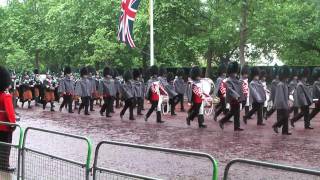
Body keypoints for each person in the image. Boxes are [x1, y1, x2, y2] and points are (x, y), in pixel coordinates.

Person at [219, 61, 244, 131]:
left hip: (237, 98)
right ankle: (222, 121)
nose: (235, 74)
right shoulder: (228, 80)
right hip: (233, 98)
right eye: (234, 73)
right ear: (231, 73)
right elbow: (230, 89)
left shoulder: (236, 79)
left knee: (236, 112)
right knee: (233, 111)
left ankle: (236, 126)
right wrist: (236, 96)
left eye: (235, 73)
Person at [0, 66, 17, 172]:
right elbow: (10, 113)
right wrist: (13, 124)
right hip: (5, 127)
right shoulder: (6, 95)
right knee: (6, 148)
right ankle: (5, 166)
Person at [272, 66, 291, 135]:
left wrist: (287, 101)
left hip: (285, 103)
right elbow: (280, 96)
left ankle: (285, 131)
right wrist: (284, 104)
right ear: (284, 77)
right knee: (285, 117)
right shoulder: (280, 84)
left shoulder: (285, 84)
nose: (288, 78)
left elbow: (286, 95)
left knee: (286, 118)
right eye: (287, 77)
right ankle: (275, 125)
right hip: (281, 104)